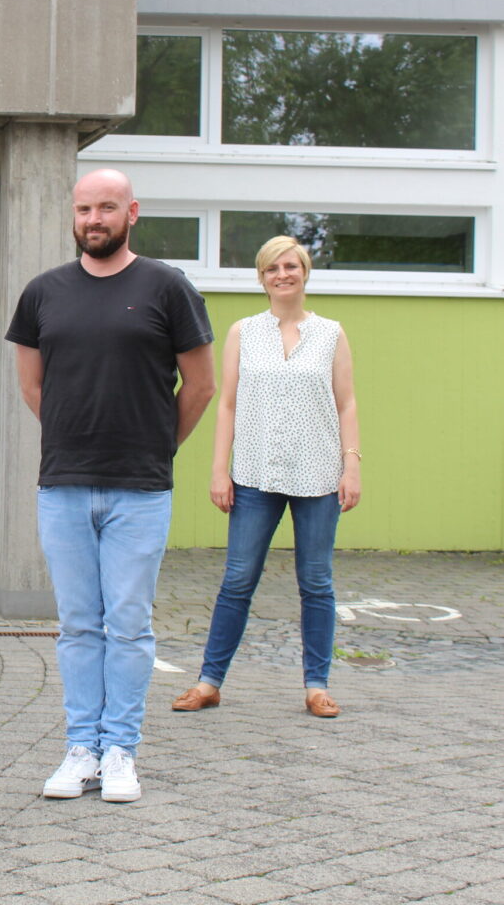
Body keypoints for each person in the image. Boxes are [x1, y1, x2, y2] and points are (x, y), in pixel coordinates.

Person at [6, 168, 215, 803]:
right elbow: (33, 387)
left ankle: (120, 749)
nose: (93, 219)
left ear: (132, 212)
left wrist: (155, 445)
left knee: (127, 624)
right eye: (84, 209)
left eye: (106, 208)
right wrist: (77, 434)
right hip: (64, 485)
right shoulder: (42, 293)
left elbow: (201, 384)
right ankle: (81, 749)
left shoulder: (167, 287)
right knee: (77, 625)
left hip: (139, 489)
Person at [172, 236, 361, 719]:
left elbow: (346, 403)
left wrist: (352, 464)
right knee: (237, 580)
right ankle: (209, 682)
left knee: (316, 582)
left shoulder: (331, 334)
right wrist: (220, 469)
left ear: (305, 272)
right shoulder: (244, 332)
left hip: (319, 475)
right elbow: (227, 404)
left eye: (291, 265)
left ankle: (317, 687)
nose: (283, 274)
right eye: (273, 268)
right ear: (261, 277)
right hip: (255, 473)